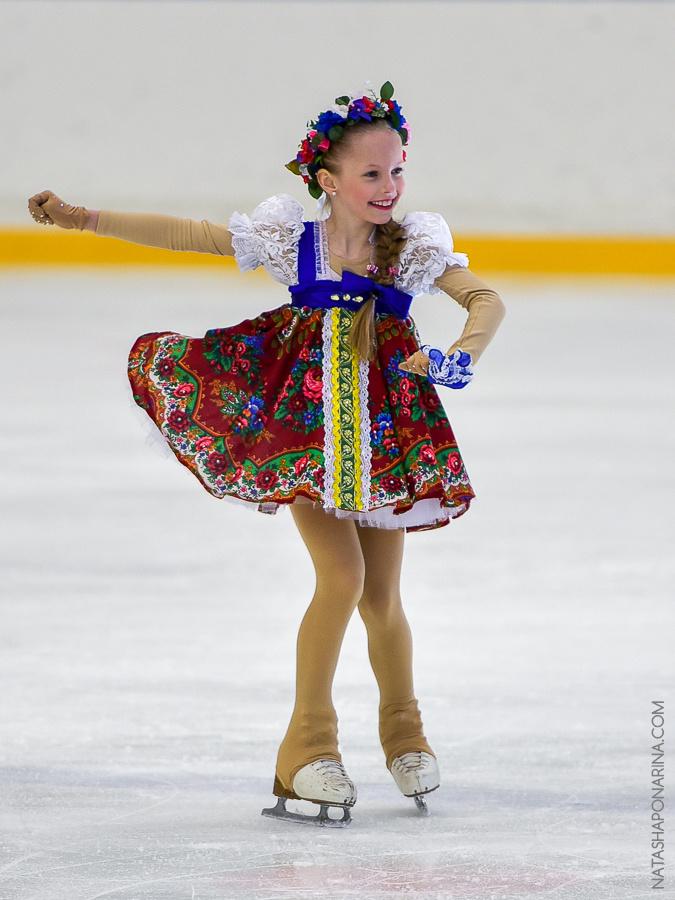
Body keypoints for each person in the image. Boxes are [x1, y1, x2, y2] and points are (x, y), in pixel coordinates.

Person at [28, 82, 505, 827]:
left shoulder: (410, 246)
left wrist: (457, 355)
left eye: (399, 171)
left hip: (382, 439)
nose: (390, 188)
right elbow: (187, 234)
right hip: (304, 434)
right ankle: (305, 750)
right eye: (372, 174)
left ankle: (404, 733)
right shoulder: (295, 240)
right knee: (341, 577)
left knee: (382, 597)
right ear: (327, 179)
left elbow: (484, 301)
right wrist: (83, 218)